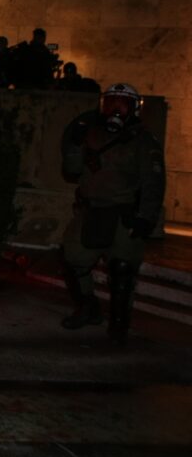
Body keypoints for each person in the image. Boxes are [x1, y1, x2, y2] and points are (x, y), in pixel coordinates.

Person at [59, 83, 165, 345]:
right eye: (111, 103)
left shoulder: (142, 139)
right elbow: (72, 171)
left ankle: (119, 324)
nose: (116, 109)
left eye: (122, 103)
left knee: (121, 268)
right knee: (72, 259)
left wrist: (146, 217)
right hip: (90, 211)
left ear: (133, 108)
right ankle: (88, 308)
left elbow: (153, 181)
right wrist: (73, 145)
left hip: (123, 214)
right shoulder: (90, 133)